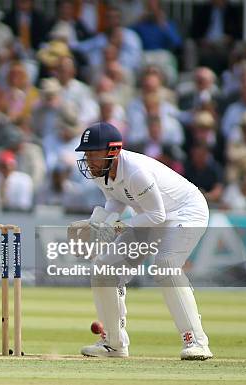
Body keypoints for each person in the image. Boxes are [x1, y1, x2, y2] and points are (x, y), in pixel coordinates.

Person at [72, 122, 213, 360]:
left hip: (185, 211)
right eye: (86, 154)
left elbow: (158, 216)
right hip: (148, 214)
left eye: (93, 153)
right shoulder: (100, 172)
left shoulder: (136, 172)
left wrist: (121, 226)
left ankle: (196, 342)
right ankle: (114, 344)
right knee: (104, 269)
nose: (89, 160)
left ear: (112, 152)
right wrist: (99, 222)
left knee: (165, 266)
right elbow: (116, 201)